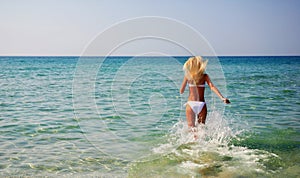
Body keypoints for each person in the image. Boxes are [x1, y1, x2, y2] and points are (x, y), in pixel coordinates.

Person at [180, 56, 230, 134]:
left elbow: (181, 91)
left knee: (191, 129)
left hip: (190, 104)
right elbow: (212, 87)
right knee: (201, 129)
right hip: (201, 105)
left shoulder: (188, 76)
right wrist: (222, 98)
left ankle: (192, 144)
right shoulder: (204, 76)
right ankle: (200, 145)